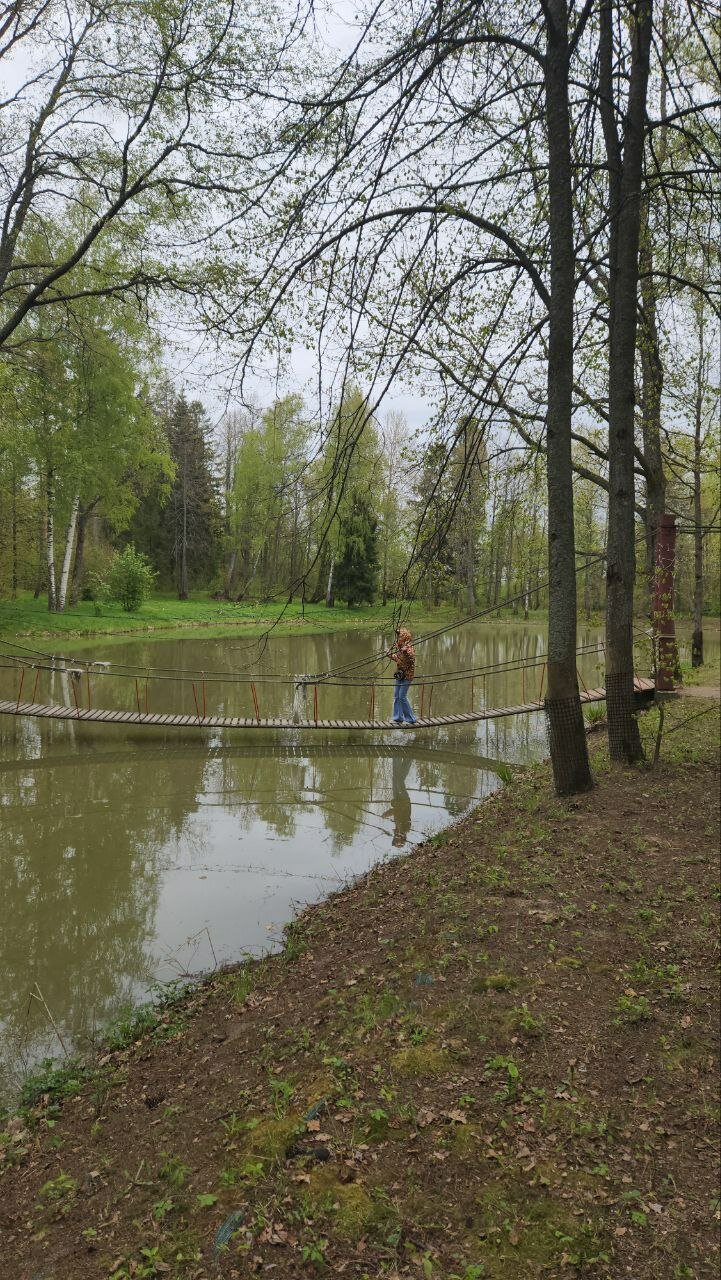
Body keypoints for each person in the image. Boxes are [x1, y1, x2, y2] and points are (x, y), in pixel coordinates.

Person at [387, 626, 416, 726]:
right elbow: (398, 659)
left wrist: (406, 650)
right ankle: (398, 718)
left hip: (407, 676)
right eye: (398, 636)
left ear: (404, 637)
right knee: (396, 696)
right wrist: (389, 654)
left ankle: (411, 719)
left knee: (402, 697)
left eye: (400, 636)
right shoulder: (400, 647)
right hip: (400, 675)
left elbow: (411, 657)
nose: (398, 638)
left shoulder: (409, 647)